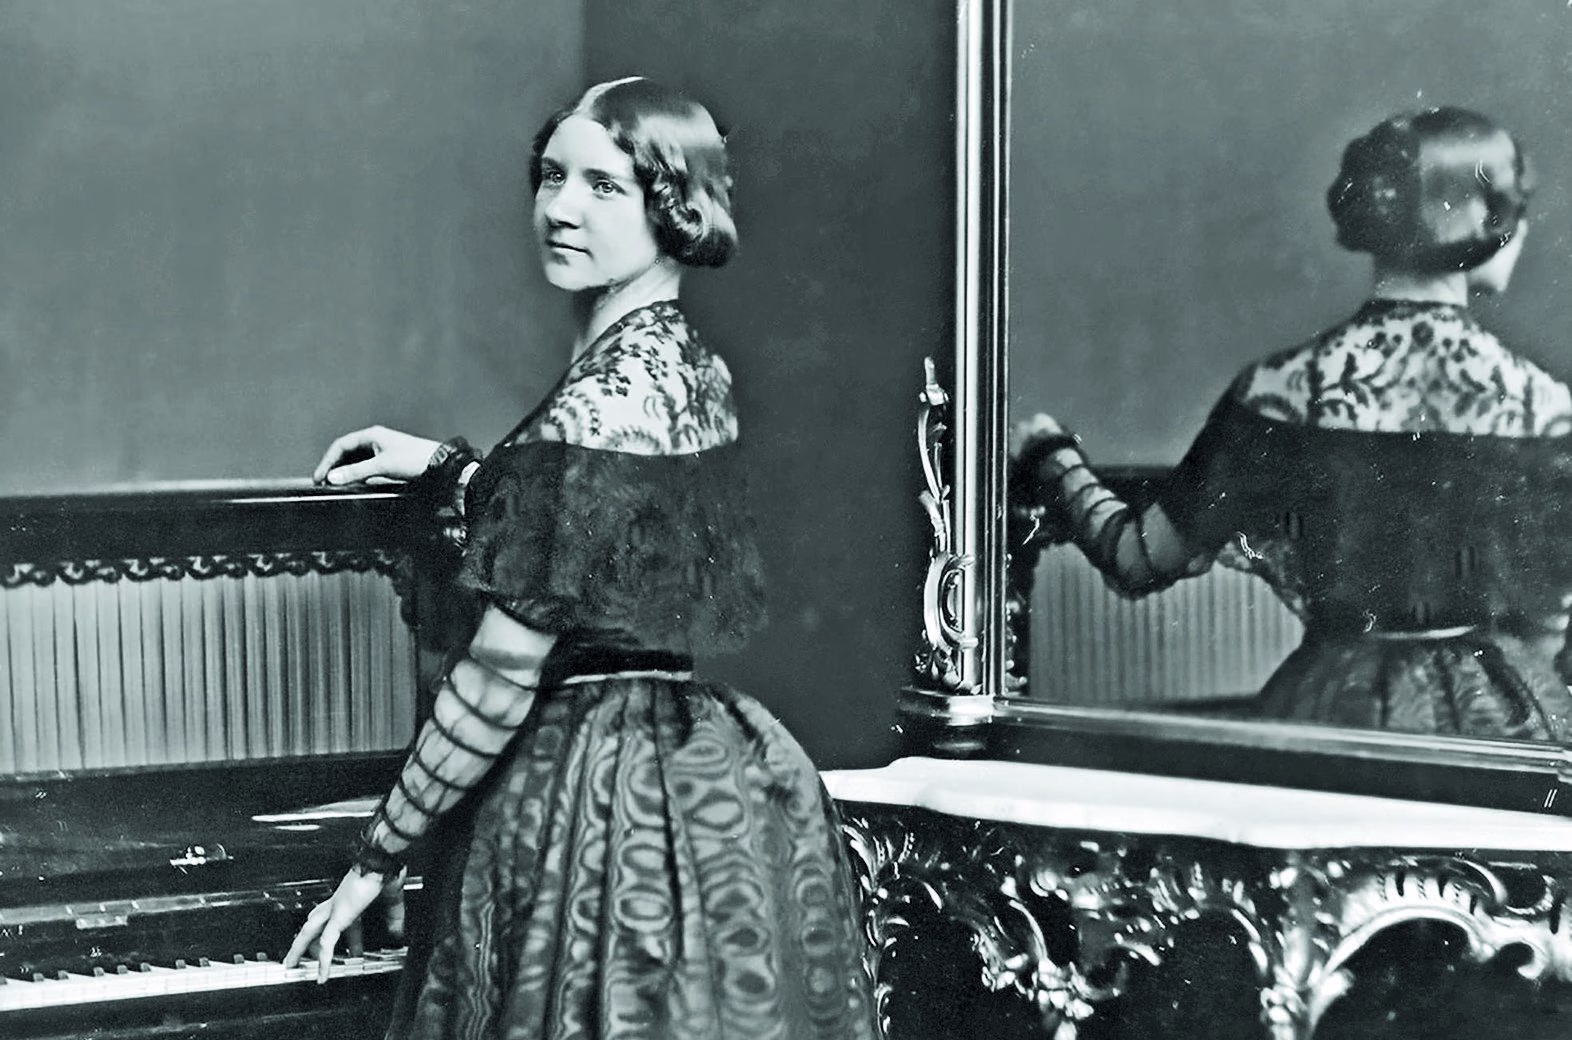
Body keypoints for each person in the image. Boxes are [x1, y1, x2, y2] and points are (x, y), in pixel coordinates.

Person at [283, 77, 879, 1039]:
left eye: (604, 186)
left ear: (672, 206)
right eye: (552, 176)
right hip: (711, 777)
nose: (561, 208)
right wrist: (448, 468)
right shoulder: (689, 368)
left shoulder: (595, 407)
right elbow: (595, 532)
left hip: (591, 794)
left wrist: (379, 856)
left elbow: (495, 684)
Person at [1013, 106, 1572, 740]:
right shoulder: (1545, 405)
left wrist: (1054, 458)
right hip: (1506, 725)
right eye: (1513, 211)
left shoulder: (1283, 392)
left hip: (1336, 714)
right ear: (1478, 220)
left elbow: (1139, 559)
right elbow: (1551, 620)